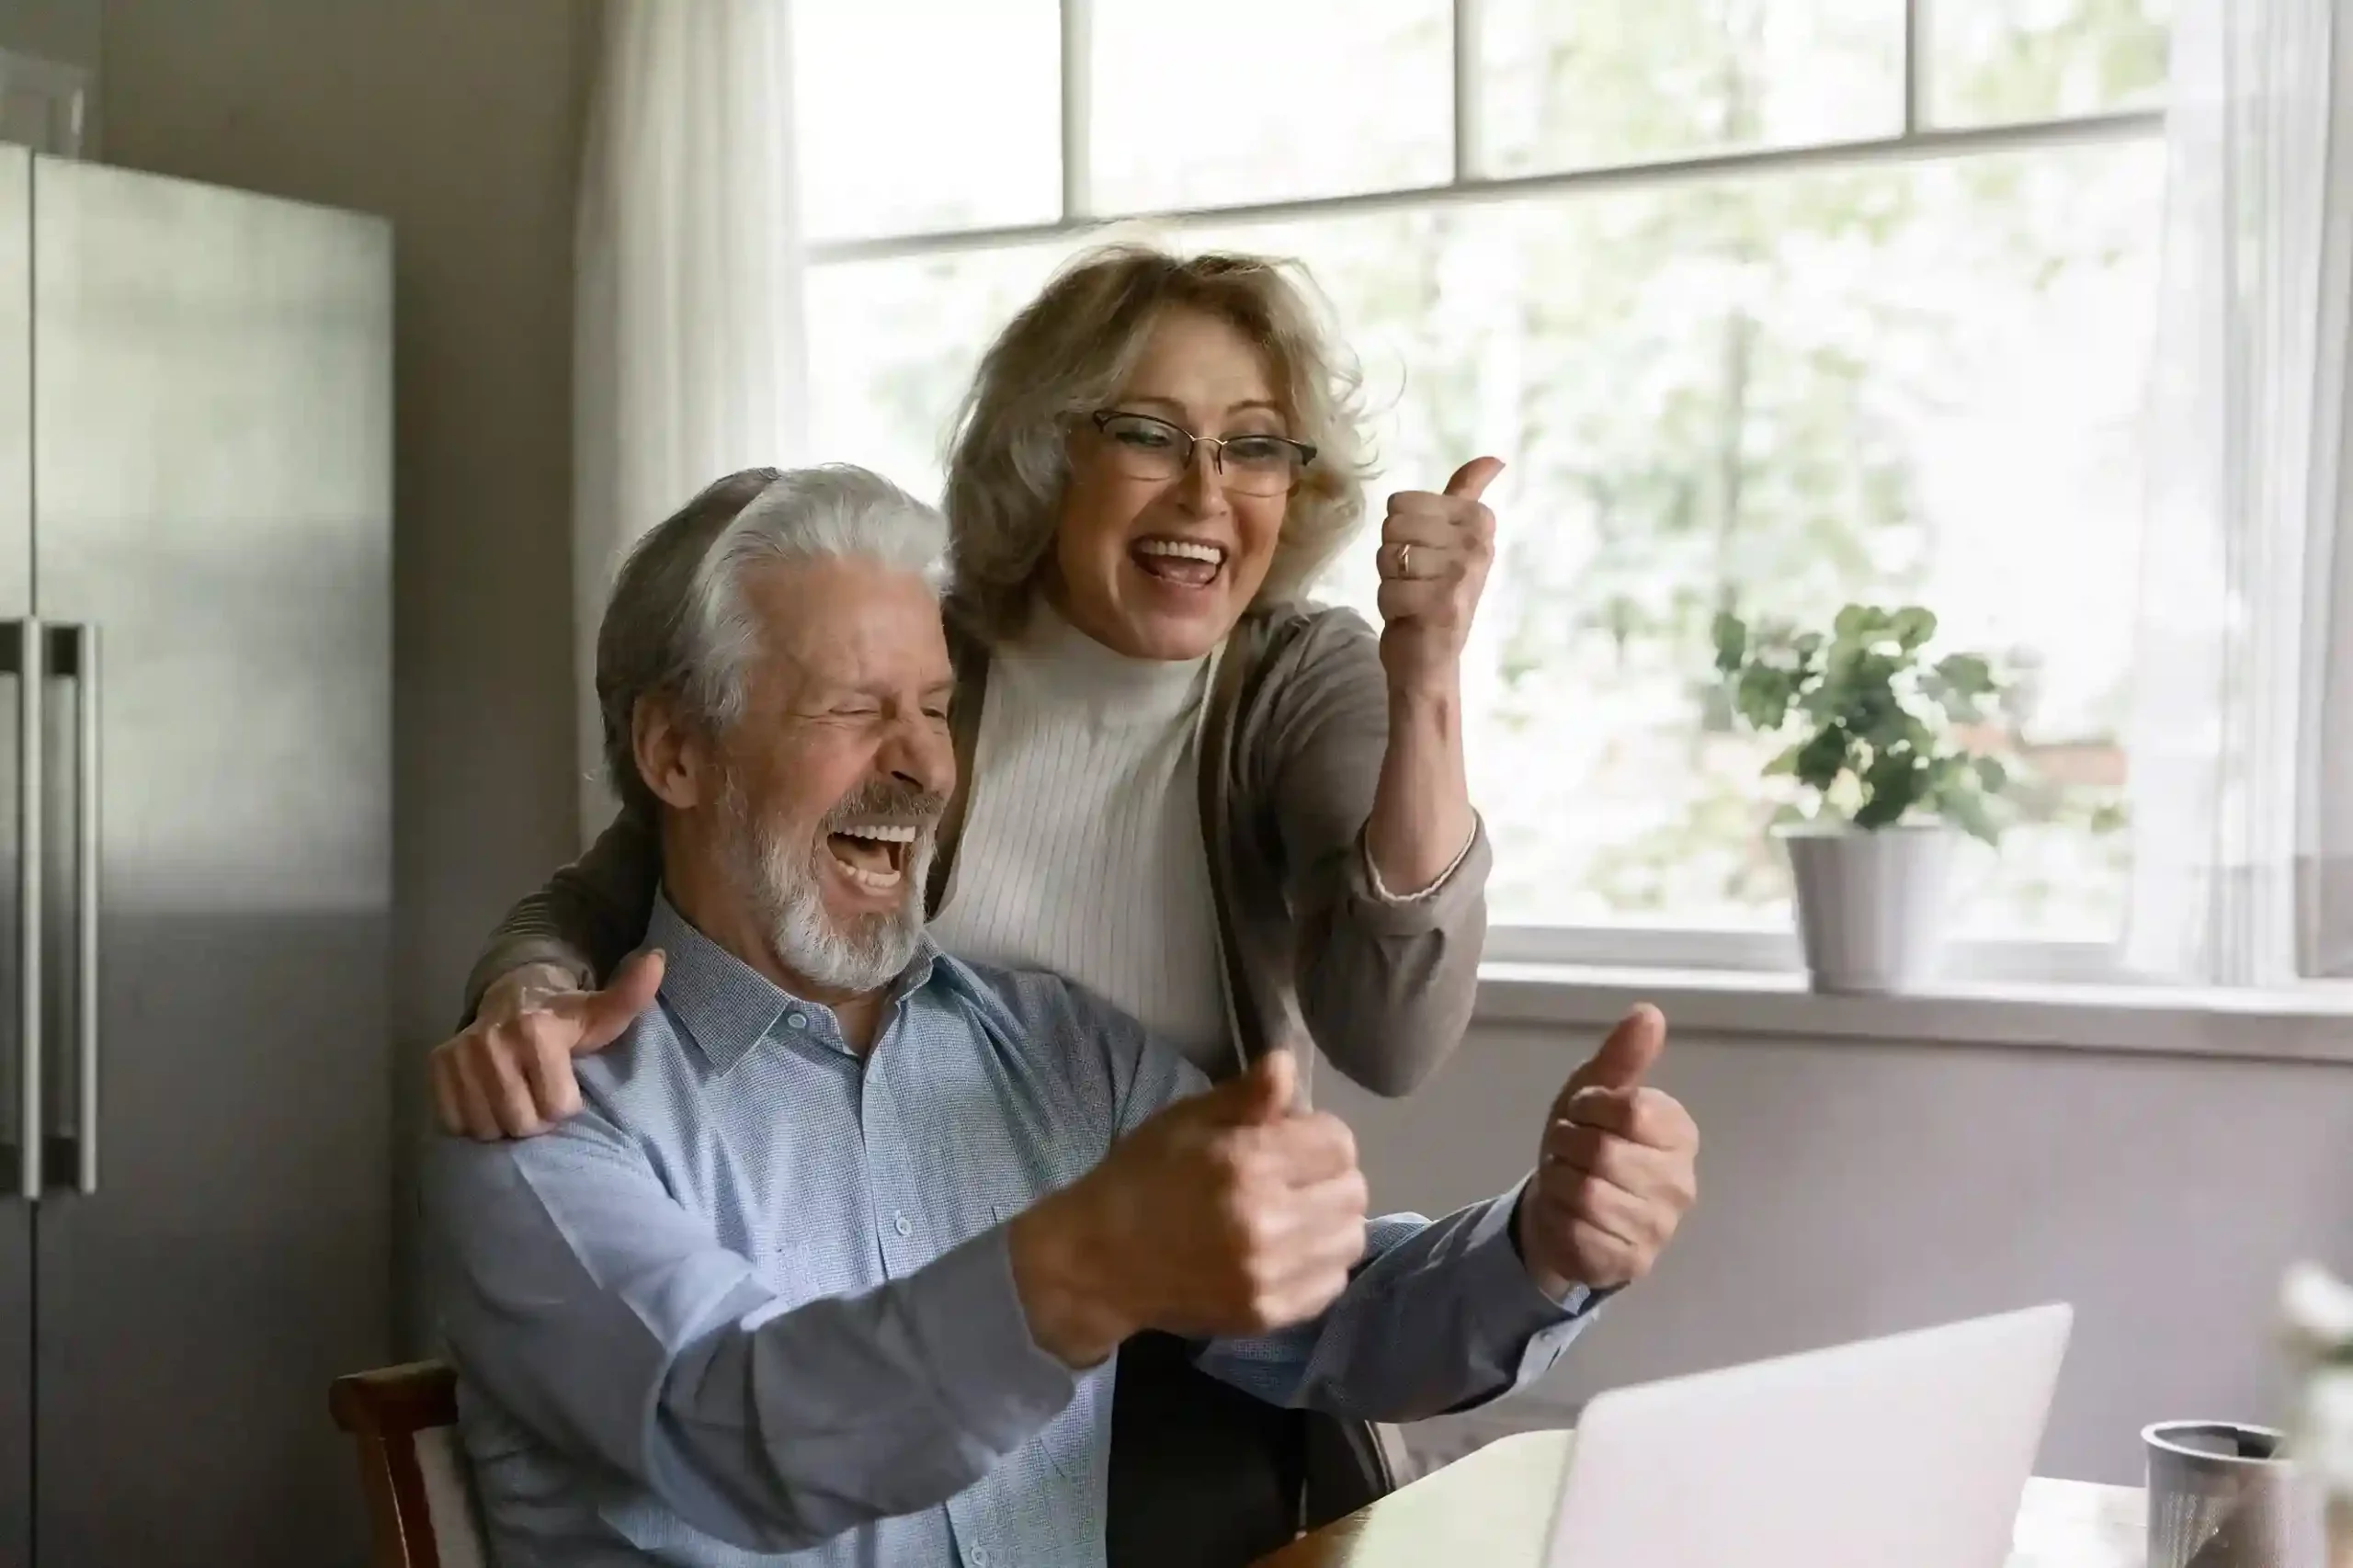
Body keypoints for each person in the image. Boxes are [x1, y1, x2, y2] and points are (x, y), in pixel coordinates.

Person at [436, 244, 1522, 1548]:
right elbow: (650, 853)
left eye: (1256, 447)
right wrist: (525, 987)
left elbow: (1359, 1199)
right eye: (1150, 434)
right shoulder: (575, 1118)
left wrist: (1545, 1245)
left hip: (1174, 1390)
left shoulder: (1069, 1053)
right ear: (1051, 452)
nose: (916, 754)